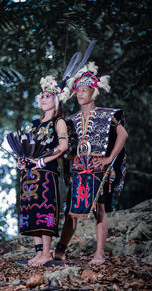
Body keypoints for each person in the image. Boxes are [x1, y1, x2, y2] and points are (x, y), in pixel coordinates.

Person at [53, 61, 128, 264]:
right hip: (79, 170)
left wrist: (109, 158)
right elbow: (64, 145)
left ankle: (99, 254)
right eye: (77, 91)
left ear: (93, 92)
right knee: (71, 212)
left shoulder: (107, 115)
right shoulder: (72, 120)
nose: (79, 94)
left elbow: (123, 134)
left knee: (100, 210)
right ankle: (60, 249)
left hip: (98, 169)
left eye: (84, 91)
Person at [18, 75, 69, 266]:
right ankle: (39, 252)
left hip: (47, 173)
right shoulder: (33, 124)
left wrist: (41, 161)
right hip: (29, 174)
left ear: (55, 100)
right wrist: (22, 161)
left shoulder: (59, 122)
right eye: (41, 96)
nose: (43, 98)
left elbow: (63, 147)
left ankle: (47, 253)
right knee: (31, 211)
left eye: (47, 96)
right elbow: (26, 148)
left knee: (44, 210)